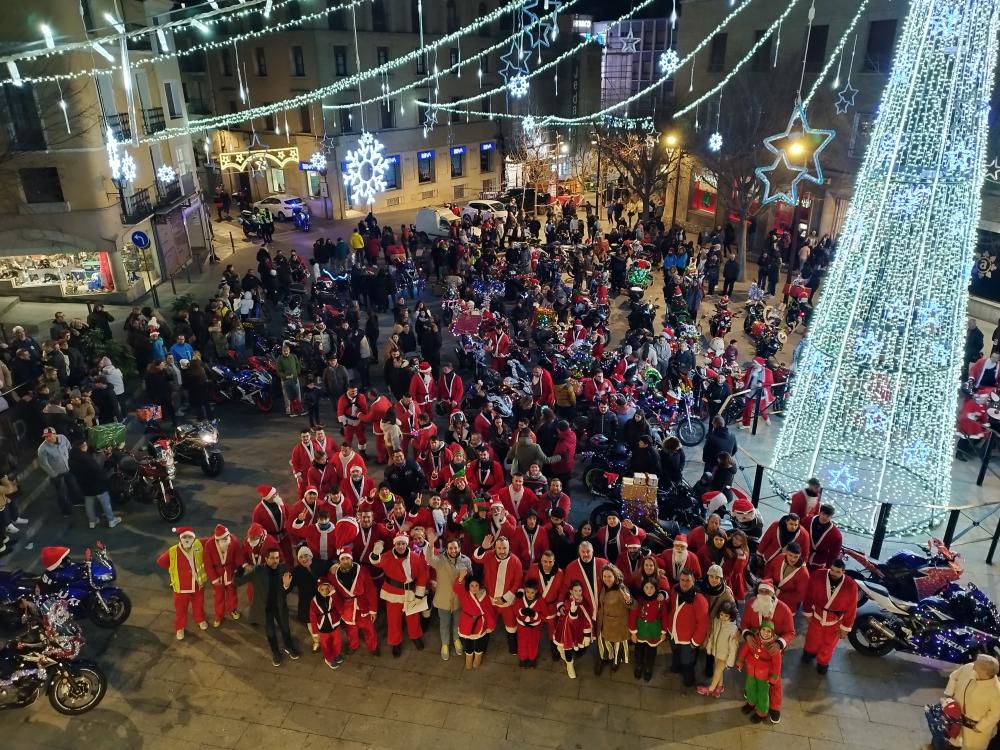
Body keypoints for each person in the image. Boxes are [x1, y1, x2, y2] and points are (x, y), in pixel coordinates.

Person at [370, 532, 429, 656]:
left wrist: (419, 593)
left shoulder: (415, 557)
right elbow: (376, 562)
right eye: (398, 543)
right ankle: (395, 642)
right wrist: (375, 553)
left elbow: (422, 575)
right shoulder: (387, 556)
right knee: (393, 620)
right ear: (394, 544)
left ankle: (415, 636)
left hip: (411, 593)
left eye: (403, 543)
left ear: (406, 544)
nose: (400, 546)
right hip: (393, 593)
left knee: (413, 618)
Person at [929, 655, 1000, 750]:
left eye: (976, 664)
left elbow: (995, 714)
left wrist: (980, 727)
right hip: (954, 718)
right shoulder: (968, 668)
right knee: (946, 741)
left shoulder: (996, 691)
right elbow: (954, 676)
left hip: (974, 730)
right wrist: (948, 695)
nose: (973, 664)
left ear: (985, 672)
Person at [802, 559, 858, 675]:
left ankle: (823, 663)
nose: (833, 573)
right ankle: (808, 653)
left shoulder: (851, 585)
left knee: (829, 644)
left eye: (837, 572)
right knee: (812, 638)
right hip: (817, 615)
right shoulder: (818, 575)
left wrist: (845, 627)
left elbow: (852, 608)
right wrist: (807, 612)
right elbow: (808, 595)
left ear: (844, 572)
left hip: (834, 621)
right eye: (832, 570)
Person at [248, 546, 300, 666]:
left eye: (277, 558)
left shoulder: (283, 568)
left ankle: (288, 646)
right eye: (272, 558)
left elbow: (286, 591)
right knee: (270, 631)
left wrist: (286, 586)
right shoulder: (259, 571)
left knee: (285, 627)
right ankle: (275, 652)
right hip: (266, 608)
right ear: (266, 559)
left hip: (279, 606)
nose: (275, 560)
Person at [425, 532, 472, 661]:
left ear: (459, 548)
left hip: (459, 599)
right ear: (447, 549)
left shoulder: (466, 560)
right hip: (443, 599)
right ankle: (445, 644)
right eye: (450, 548)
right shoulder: (441, 560)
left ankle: (457, 640)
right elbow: (429, 559)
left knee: (457, 622)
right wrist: (430, 545)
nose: (453, 550)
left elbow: (471, 579)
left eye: (456, 547)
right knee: (444, 623)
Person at [156, 527, 209, 640]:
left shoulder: (199, 545)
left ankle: (200, 619)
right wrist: (173, 570)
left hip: (197, 585)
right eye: (184, 537)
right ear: (180, 538)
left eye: (189, 537)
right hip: (181, 588)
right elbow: (161, 561)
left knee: (198, 605)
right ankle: (180, 627)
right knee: (181, 610)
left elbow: (213, 540)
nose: (187, 539)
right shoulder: (173, 550)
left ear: (194, 538)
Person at [667, 568, 709, 687]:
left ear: (693, 581)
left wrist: (695, 642)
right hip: (673, 633)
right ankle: (676, 668)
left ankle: (688, 680)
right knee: (675, 653)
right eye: (682, 580)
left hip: (687, 640)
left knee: (687, 661)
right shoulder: (674, 590)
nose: (685, 583)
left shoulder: (700, 600)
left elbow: (703, 624)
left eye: (688, 580)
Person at [68, 439, 122, 529]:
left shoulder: (72, 459)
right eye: (85, 445)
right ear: (81, 447)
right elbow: (97, 471)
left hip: (85, 485)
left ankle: (92, 521)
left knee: (89, 503)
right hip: (97, 484)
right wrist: (106, 481)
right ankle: (111, 520)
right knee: (105, 502)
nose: (87, 447)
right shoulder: (86, 458)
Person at [736, 619, 783, 723]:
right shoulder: (753, 639)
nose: (765, 633)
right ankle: (751, 703)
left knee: (763, 694)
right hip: (751, 671)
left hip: (764, 676)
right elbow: (745, 649)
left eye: (768, 631)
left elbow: (777, 663)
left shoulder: (773, 647)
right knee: (750, 688)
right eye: (763, 630)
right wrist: (740, 661)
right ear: (759, 630)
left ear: (772, 633)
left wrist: (774, 677)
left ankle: (762, 712)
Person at [454, 565, 496, 669]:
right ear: (468, 586)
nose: (474, 588)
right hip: (467, 622)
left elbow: (489, 611)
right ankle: (469, 658)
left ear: (479, 586)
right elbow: (457, 588)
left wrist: (491, 625)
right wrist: (461, 577)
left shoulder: (484, 596)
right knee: (468, 643)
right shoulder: (464, 594)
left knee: (479, 643)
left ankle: (478, 657)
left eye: (476, 585)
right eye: (472, 586)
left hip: (481, 624)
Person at [594, 564, 633, 675]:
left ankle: (615, 662)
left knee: (617, 644)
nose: (606, 579)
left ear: (615, 576)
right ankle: (602, 659)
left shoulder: (621, 588)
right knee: (602, 643)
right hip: (603, 621)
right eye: (604, 576)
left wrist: (628, 600)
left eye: (609, 576)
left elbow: (632, 605)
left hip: (616, 623)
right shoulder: (604, 587)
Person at [203, 524, 243, 626]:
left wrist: (238, 572)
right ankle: (219, 615)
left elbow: (238, 557)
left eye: (227, 537)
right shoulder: (209, 545)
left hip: (230, 572)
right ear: (217, 540)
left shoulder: (233, 541)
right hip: (218, 574)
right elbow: (208, 564)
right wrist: (214, 578)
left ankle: (233, 609)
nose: (227, 539)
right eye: (224, 538)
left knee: (232, 593)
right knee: (218, 596)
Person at [554, 580, 594, 679]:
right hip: (566, 630)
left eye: (580, 590)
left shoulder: (583, 602)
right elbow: (569, 618)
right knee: (567, 646)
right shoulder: (568, 602)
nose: (578, 593)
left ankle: (566, 655)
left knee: (577, 648)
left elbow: (586, 618)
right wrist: (572, 611)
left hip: (578, 630)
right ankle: (569, 665)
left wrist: (587, 634)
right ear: (571, 591)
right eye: (575, 591)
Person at [36, 427, 80, 518]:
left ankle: (76, 502)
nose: (47, 438)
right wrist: (54, 475)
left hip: (68, 469)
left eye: (49, 436)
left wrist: (72, 462)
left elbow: (69, 448)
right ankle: (66, 511)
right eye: (45, 437)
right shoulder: (42, 449)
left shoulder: (62, 438)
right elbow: (44, 464)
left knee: (74, 486)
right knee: (62, 494)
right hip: (57, 474)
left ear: (55, 434)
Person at [700, 599, 739, 697]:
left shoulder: (733, 629)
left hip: (724, 655)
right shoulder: (717, 621)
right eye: (721, 614)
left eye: (726, 616)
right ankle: (720, 686)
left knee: (717, 671)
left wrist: (730, 662)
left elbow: (733, 647)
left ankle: (710, 689)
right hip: (716, 651)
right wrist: (709, 647)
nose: (723, 617)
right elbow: (712, 636)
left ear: (731, 616)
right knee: (717, 670)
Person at [514, 578, 549, 668]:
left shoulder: (540, 601)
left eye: (532, 592)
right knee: (522, 643)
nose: (529, 594)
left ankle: (532, 659)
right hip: (522, 627)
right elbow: (515, 610)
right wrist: (521, 611)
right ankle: (522, 659)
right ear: (525, 590)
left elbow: (545, 615)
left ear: (536, 591)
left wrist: (535, 615)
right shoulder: (520, 599)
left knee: (533, 644)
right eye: (528, 592)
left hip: (535, 628)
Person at [805, 504, 843, 571]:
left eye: (828, 516)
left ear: (831, 517)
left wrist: (827, 569)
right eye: (823, 514)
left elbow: (833, 555)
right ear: (820, 512)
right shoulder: (807, 521)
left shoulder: (836, 535)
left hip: (819, 565)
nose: (825, 517)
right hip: (803, 558)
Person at [276, 343, 304, 417]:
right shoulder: (279, 359)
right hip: (285, 380)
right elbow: (278, 371)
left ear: (289, 350)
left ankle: (298, 407)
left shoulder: (294, 356)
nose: (286, 352)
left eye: (287, 351)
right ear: (282, 351)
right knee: (287, 395)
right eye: (284, 351)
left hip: (294, 379)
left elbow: (298, 365)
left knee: (297, 393)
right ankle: (288, 409)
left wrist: (297, 373)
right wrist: (285, 376)